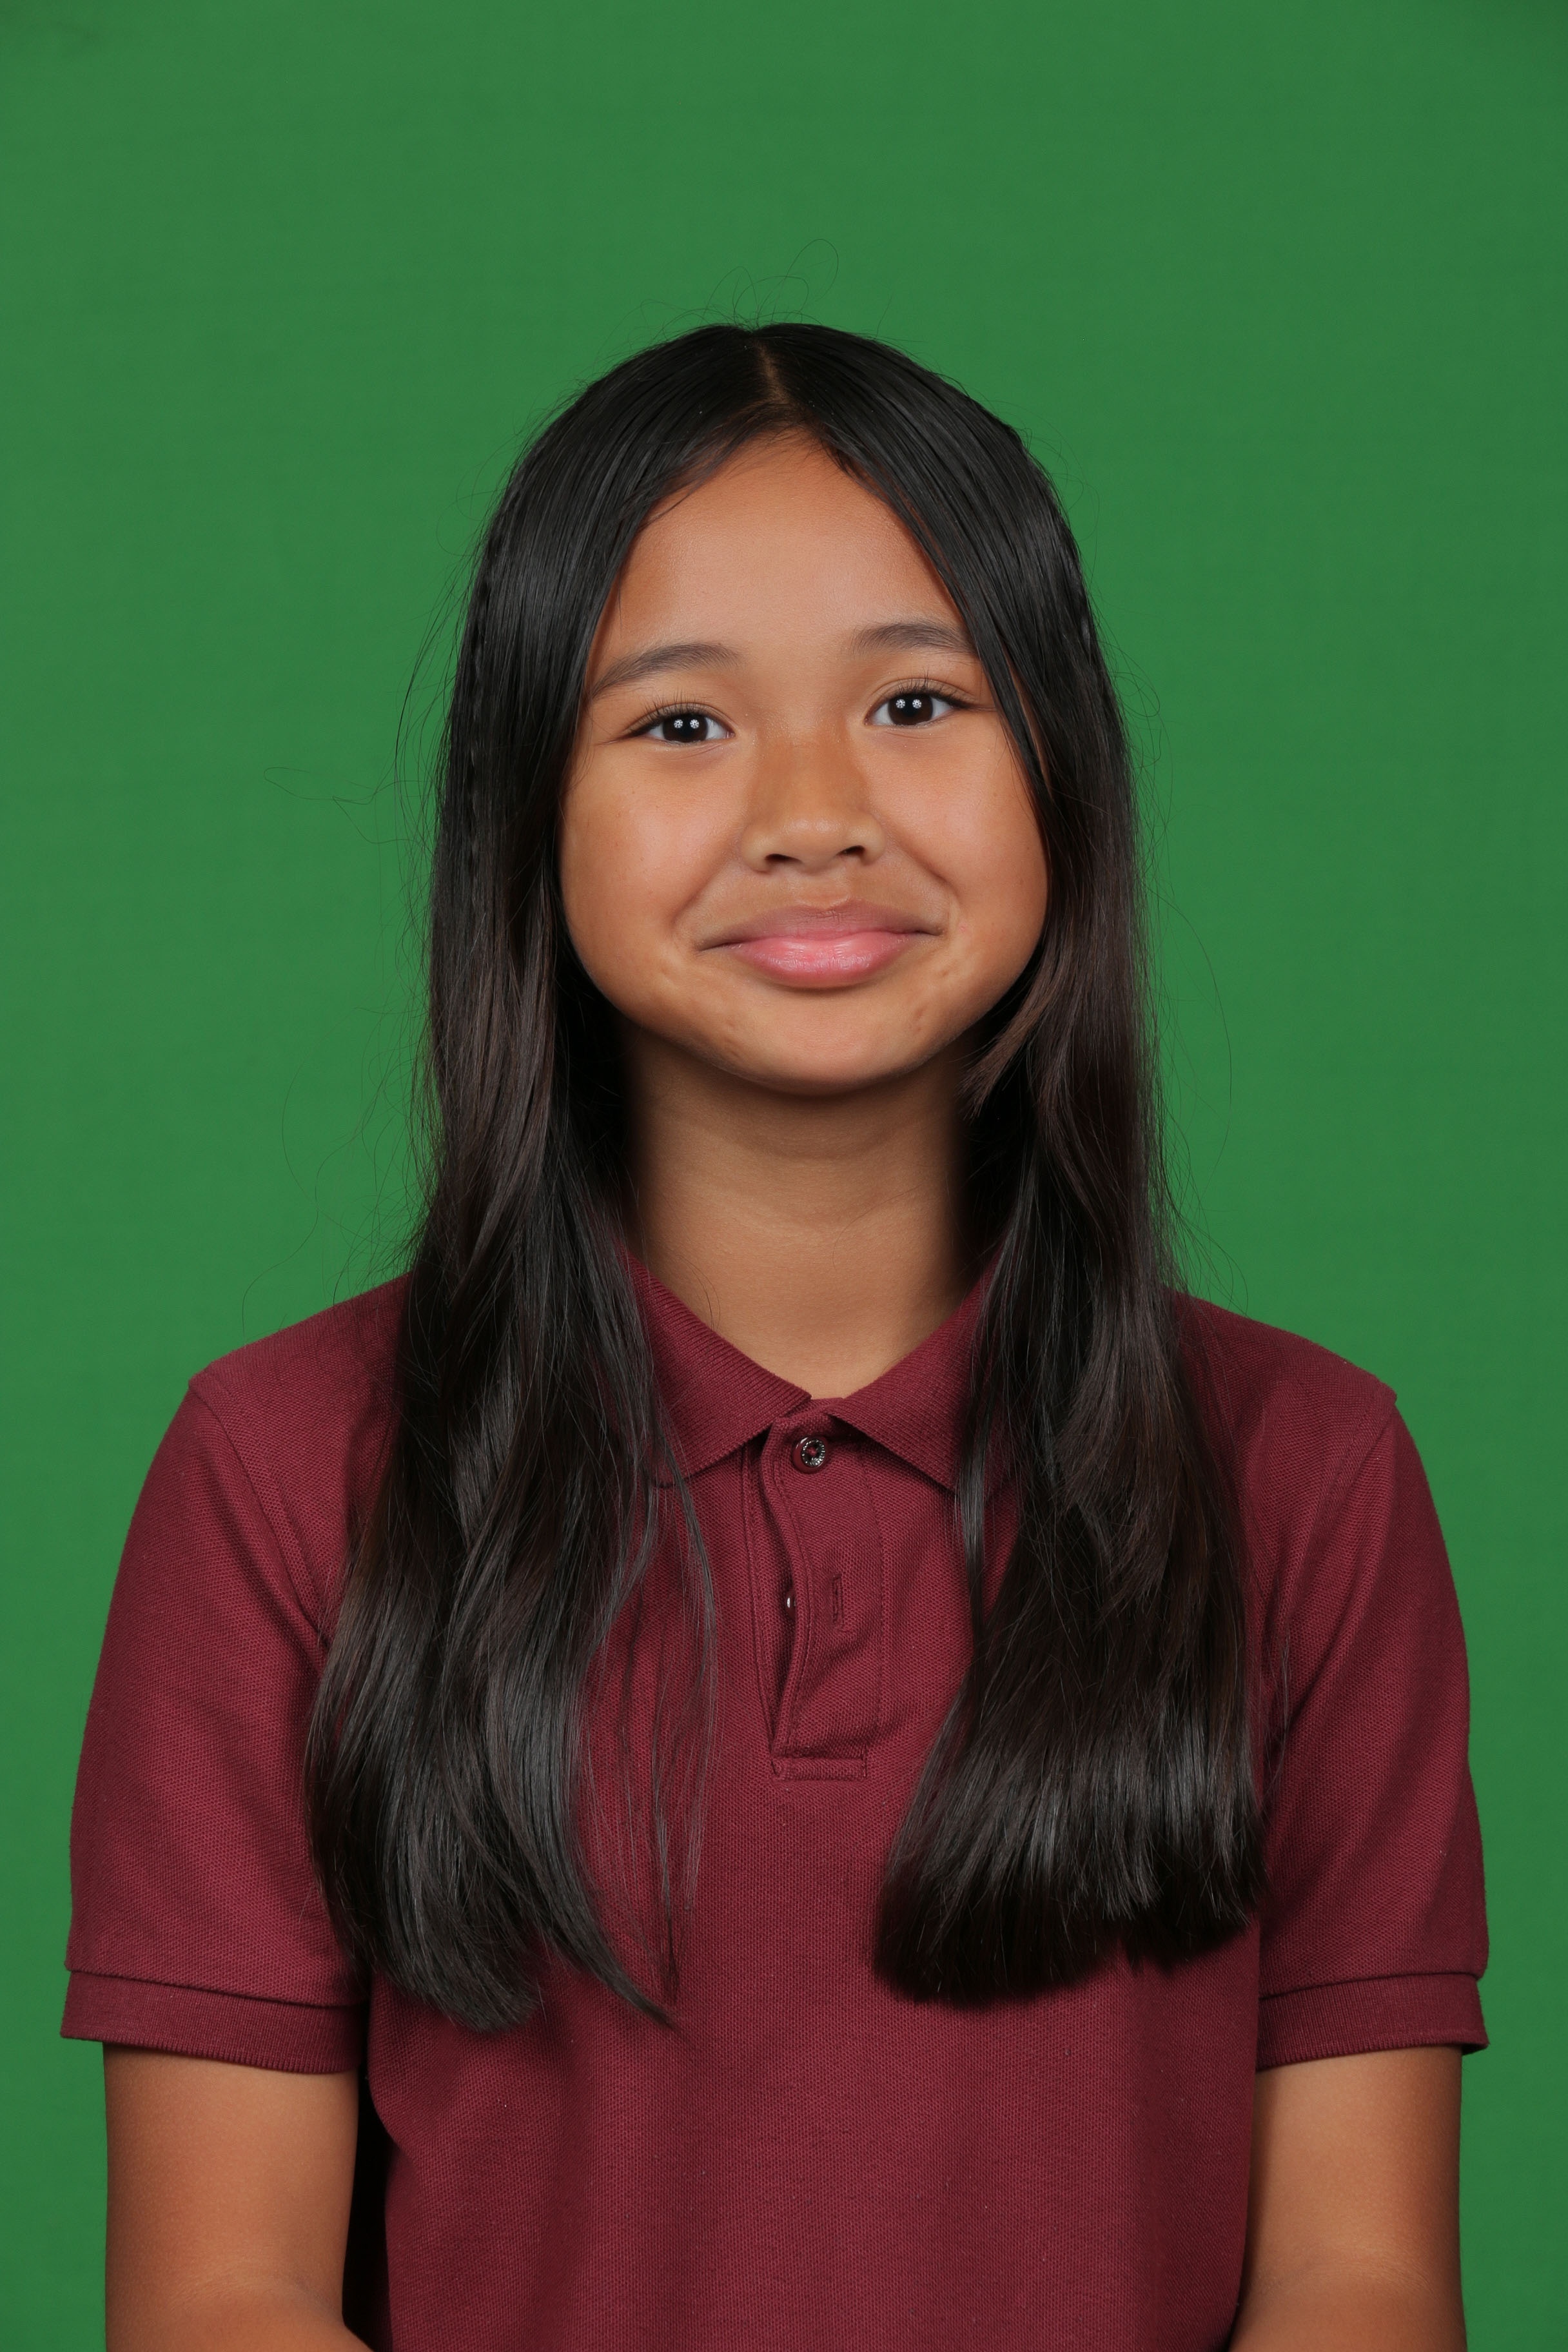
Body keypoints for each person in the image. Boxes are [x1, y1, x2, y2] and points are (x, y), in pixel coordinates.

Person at [64, 323, 1487, 2352]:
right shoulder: (285, 1471)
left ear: (1063, 771)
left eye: (916, 701)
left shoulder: (1306, 1474)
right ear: (525, 813)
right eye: (680, 724)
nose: (815, 814)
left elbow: (1360, 2278)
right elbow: (223, 2294)